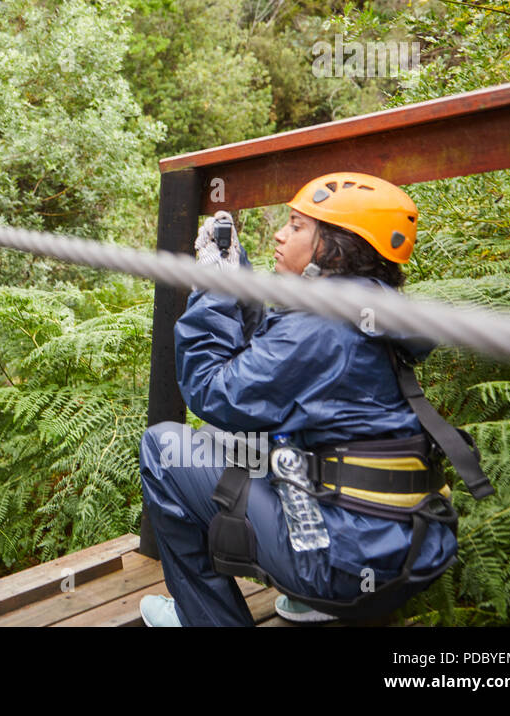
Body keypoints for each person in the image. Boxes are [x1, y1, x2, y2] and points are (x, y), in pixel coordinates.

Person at [138, 172, 486, 626]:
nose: (281, 234)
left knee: (166, 448)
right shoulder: (369, 306)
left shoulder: (322, 324)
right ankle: (308, 606)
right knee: (232, 438)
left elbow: (213, 389)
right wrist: (234, 273)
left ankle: (207, 618)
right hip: (412, 548)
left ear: (336, 247)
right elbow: (276, 361)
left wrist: (213, 288)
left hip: (340, 563)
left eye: (298, 226)